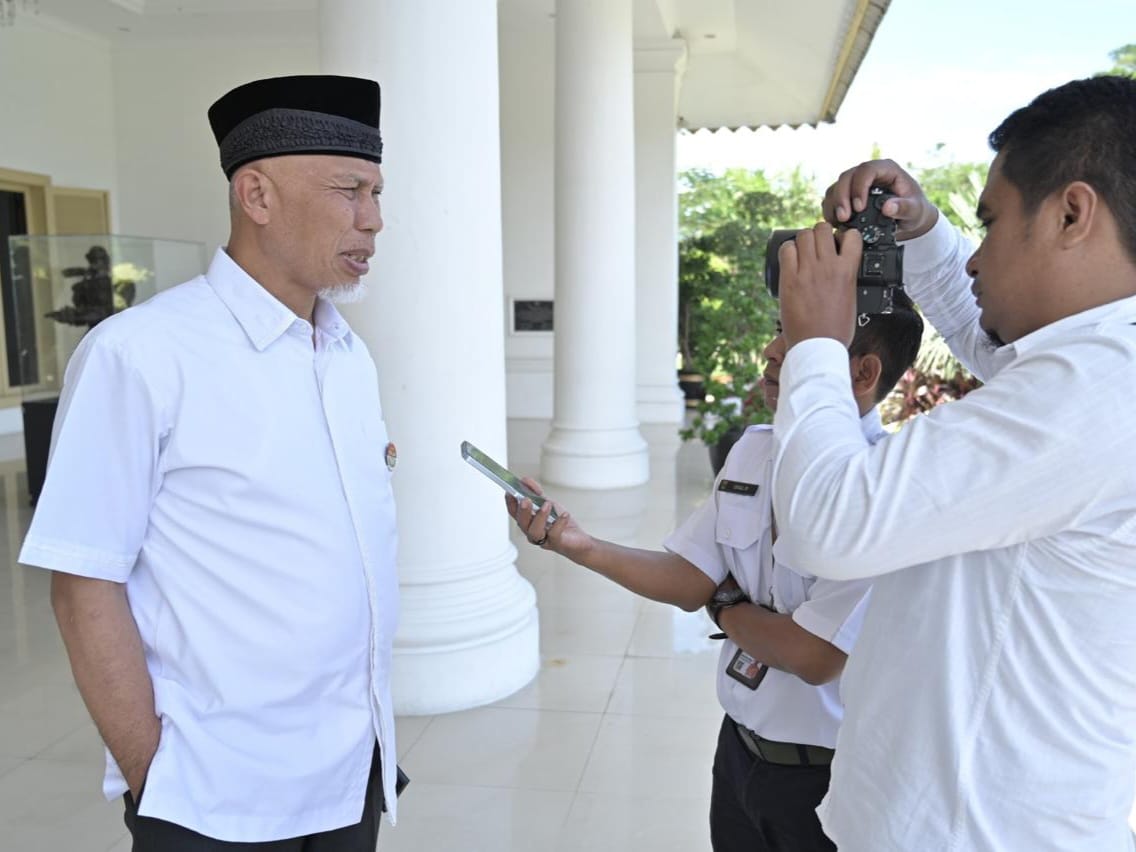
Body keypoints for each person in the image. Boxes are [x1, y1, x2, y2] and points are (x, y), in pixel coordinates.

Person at [18, 75, 400, 850]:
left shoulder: (347, 353)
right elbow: (83, 584)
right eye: (350, 191)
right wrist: (149, 772)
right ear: (256, 195)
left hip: (352, 768)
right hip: (212, 795)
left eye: (378, 194)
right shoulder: (141, 354)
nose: (375, 221)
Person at [770, 74, 1136, 851]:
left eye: (992, 223)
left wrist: (815, 344)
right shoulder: (1096, 367)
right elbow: (997, 343)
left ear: (1072, 212)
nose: (976, 260)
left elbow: (830, 524)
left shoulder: (1100, 386)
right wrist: (923, 233)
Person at [507, 297, 923, 852]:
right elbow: (691, 577)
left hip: (827, 781)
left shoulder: (882, 492)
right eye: (780, 331)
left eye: (799, 340)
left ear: (863, 373)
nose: (773, 352)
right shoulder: (753, 451)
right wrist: (580, 546)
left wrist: (727, 608)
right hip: (737, 755)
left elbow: (811, 655)